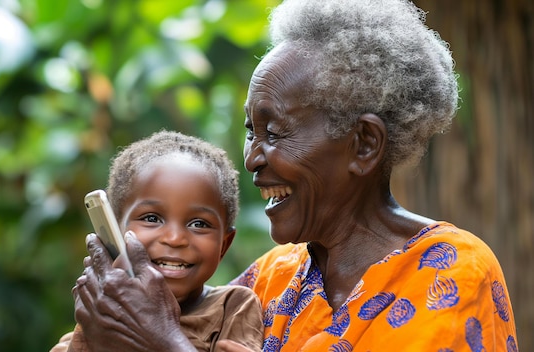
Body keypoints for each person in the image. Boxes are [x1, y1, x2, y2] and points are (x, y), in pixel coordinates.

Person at [66, 0, 519, 351]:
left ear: (363, 143)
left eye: (275, 131)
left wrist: (160, 339)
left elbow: (163, 333)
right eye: (250, 131)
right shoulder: (270, 279)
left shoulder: (450, 271)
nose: (252, 159)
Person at [51, 131, 263, 352]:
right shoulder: (98, 316)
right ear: (115, 230)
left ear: (224, 245)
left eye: (199, 224)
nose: (175, 239)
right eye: (152, 219)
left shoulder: (233, 307)